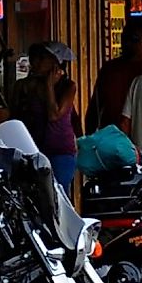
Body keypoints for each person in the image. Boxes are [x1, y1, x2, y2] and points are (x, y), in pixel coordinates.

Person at [25, 41, 81, 197]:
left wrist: (50, 86)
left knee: (59, 196)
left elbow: (54, 115)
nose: (38, 62)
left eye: (43, 58)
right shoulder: (32, 86)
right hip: (37, 150)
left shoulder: (69, 86)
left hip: (61, 151)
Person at [92, 19, 142, 139]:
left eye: (134, 40)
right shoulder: (110, 69)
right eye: (125, 38)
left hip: (140, 137)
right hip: (110, 137)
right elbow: (95, 107)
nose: (128, 44)